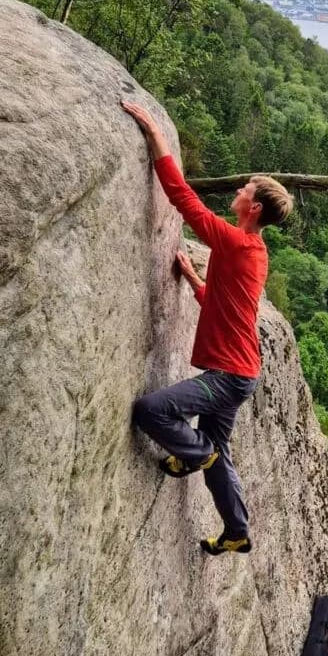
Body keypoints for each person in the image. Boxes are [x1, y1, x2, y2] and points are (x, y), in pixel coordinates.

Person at [122, 100, 293, 555]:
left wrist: (156, 137)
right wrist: (196, 279)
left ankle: (196, 453)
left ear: (252, 207)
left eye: (244, 188)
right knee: (220, 449)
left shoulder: (238, 241)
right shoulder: (253, 250)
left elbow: (183, 200)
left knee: (151, 412)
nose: (237, 189)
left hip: (230, 376)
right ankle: (237, 531)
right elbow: (228, 305)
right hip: (241, 372)